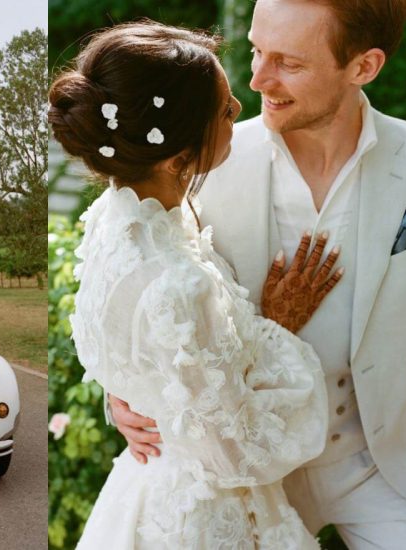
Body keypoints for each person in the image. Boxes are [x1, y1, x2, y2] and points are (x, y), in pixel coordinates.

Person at [112, 1, 406, 548]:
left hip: (384, 463)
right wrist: (123, 391)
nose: (257, 79)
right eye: (256, 50)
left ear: (364, 67)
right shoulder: (202, 161)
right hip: (249, 471)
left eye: (288, 63)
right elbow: (138, 282)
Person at [49, 21, 346, 548]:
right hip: (203, 515)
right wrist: (274, 329)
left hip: (144, 483)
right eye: (226, 110)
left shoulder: (114, 219)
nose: (240, 112)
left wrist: (131, 395)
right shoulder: (179, 286)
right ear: (178, 158)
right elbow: (238, 452)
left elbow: (133, 344)